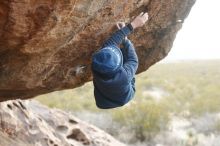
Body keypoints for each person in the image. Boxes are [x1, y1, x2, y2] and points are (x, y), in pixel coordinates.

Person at [91, 12, 149, 109]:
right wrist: (126, 40)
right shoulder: (124, 76)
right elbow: (133, 60)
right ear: (118, 68)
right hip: (125, 97)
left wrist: (129, 28)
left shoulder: (96, 64)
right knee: (125, 53)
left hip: (103, 100)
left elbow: (110, 44)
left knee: (102, 99)